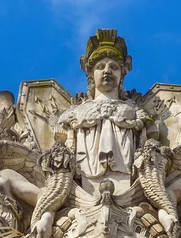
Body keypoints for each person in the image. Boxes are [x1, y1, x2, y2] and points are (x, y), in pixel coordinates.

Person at [57, 29, 156, 195]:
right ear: (91, 75)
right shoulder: (73, 114)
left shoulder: (136, 112)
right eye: (100, 67)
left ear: (122, 75)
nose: (107, 71)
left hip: (126, 173)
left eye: (114, 67)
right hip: (86, 173)